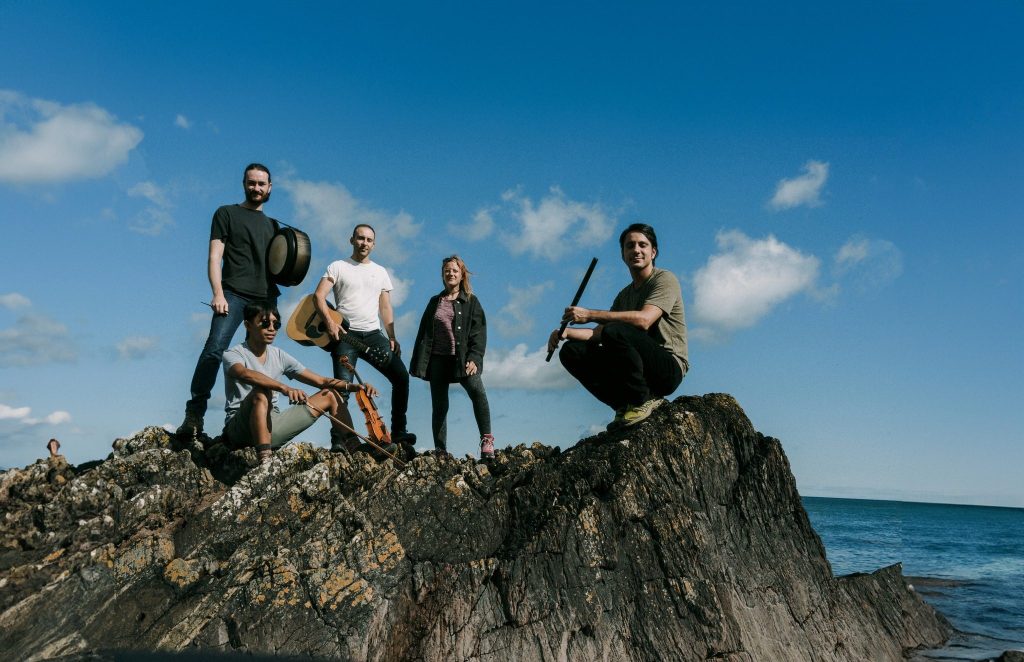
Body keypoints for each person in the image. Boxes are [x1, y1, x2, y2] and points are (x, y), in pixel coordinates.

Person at [548, 223, 688, 429]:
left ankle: (643, 400)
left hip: (667, 368)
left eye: (643, 245)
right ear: (623, 254)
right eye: (630, 246)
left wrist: (590, 314)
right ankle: (624, 405)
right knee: (571, 351)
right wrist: (565, 333)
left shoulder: (665, 279)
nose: (636, 250)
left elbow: (644, 320)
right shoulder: (624, 295)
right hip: (638, 368)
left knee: (616, 328)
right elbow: (599, 334)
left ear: (653, 252)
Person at [177, 163, 282, 437]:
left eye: (262, 183)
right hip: (232, 294)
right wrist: (218, 293)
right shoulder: (226, 213)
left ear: (270, 187)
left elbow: (283, 267)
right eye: (252, 183)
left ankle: (263, 422)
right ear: (244, 184)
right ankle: (195, 415)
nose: (256, 188)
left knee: (262, 361)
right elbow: (214, 257)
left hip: (265, 299)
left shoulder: (274, 226)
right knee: (214, 349)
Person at [221, 301, 390, 463]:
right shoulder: (234, 354)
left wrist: (354, 387)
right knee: (261, 392)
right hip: (239, 429)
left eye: (276, 324)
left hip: (272, 424)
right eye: (265, 324)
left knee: (330, 394)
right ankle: (265, 463)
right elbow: (243, 373)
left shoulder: (279, 355)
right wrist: (284, 388)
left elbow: (320, 380)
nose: (272, 329)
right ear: (248, 325)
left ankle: (356, 450)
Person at [313, 224, 416, 451]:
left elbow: (385, 306)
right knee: (342, 390)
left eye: (369, 240)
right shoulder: (338, 266)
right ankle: (339, 441)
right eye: (360, 238)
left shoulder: (380, 272)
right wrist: (330, 323)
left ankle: (399, 432)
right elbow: (318, 296)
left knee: (401, 377)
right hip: (345, 336)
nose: (364, 243)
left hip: (373, 335)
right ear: (352, 240)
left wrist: (392, 336)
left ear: (374, 244)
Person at [410, 255, 495, 458]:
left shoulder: (471, 301)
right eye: (447, 270)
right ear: (442, 274)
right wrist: (421, 363)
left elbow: (479, 332)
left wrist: (475, 357)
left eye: (455, 271)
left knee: (477, 391)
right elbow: (423, 332)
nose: (451, 273)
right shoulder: (434, 301)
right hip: (438, 359)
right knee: (439, 406)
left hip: (462, 358)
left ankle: (487, 441)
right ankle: (441, 449)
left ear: (461, 275)